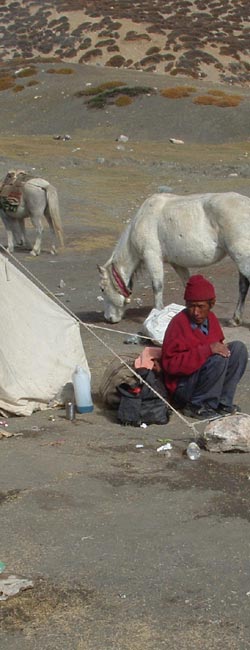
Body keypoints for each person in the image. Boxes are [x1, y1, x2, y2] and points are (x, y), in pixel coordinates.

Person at [161, 274, 248, 420]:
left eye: (201, 307)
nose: (195, 312)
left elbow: (220, 347)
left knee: (238, 349)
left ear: (211, 304)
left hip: (203, 378)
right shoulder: (179, 323)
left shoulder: (211, 319)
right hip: (183, 387)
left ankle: (222, 403)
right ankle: (198, 405)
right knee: (216, 359)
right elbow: (170, 365)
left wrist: (214, 349)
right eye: (191, 306)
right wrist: (206, 351)